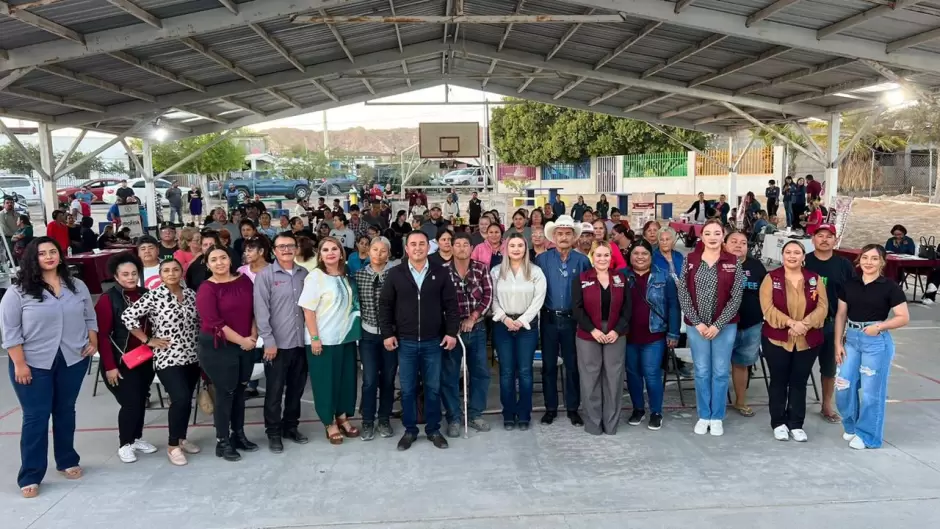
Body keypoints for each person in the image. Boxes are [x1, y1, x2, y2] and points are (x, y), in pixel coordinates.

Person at [1, 237, 97, 497]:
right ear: (33, 258)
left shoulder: (76, 286)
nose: (49, 257)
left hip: (72, 359)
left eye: (53, 251)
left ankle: (66, 459)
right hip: (32, 363)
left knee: (65, 410)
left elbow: (90, 316)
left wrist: (93, 338)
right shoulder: (17, 292)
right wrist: (19, 364)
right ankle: (30, 474)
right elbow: (10, 333)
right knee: (36, 417)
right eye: (42, 253)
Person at [378, 231, 460, 451]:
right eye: (413, 244)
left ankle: (433, 430)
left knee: (433, 388)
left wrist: (451, 333)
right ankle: (410, 430)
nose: (417, 248)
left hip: (434, 342)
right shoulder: (395, 274)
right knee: (407, 389)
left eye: (421, 244)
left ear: (428, 247)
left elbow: (452, 307)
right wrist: (387, 333)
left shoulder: (440, 273)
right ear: (406, 249)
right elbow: (384, 306)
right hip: (405, 342)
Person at [121, 258, 201, 464]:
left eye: (175, 269)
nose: (171, 273)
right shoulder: (154, 296)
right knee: (180, 398)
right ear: (160, 275)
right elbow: (128, 316)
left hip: (192, 355)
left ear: (182, 272)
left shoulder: (191, 295)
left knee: (187, 400)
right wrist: (147, 340)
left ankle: (181, 438)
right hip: (168, 357)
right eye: (166, 270)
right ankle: (173, 445)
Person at [834, 244, 910, 449]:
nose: (869, 262)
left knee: (870, 392)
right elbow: (841, 314)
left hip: (875, 342)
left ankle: (869, 436)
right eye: (865, 257)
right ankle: (851, 426)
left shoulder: (889, 287)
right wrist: (837, 343)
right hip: (851, 339)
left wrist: (880, 326)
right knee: (843, 386)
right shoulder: (849, 284)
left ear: (882, 262)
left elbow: (903, 317)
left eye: (874, 258)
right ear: (859, 260)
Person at [677, 218, 744, 436]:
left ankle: (717, 417)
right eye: (708, 233)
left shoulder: (734, 261)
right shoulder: (690, 260)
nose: (713, 237)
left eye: (717, 233)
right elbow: (683, 292)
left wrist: (717, 324)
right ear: (701, 236)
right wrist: (697, 322)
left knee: (720, 372)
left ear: (723, 236)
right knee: (702, 371)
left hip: (724, 327)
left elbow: (736, 298)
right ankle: (704, 414)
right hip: (697, 327)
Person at [759, 240, 828, 442]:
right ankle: (778, 422)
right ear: (782, 255)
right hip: (777, 339)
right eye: (788, 252)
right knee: (779, 381)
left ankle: (796, 423)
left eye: (796, 252)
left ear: (803, 256)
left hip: (808, 339)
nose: (792, 256)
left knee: (799, 381)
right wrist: (790, 323)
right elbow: (768, 308)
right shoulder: (771, 278)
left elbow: (823, 307)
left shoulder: (814, 279)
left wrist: (805, 324)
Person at [195, 246, 259, 462]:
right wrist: (243, 341)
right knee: (225, 394)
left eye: (223, 258)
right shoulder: (207, 289)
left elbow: (253, 310)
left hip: (245, 345)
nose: (219, 262)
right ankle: (222, 441)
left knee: (240, 391)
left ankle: (238, 435)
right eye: (214, 259)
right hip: (219, 348)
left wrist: (252, 335)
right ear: (207, 264)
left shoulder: (244, 281)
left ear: (230, 260)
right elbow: (214, 324)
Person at [299, 237, 362, 445]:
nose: (330, 252)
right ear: (320, 254)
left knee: (346, 380)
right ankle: (329, 422)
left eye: (334, 248)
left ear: (341, 253)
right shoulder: (315, 277)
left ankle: (342, 417)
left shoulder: (345, 276)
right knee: (326, 383)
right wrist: (315, 337)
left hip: (344, 338)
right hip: (323, 340)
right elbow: (308, 310)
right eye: (325, 249)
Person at [93, 253, 154, 464]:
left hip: (144, 359)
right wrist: (109, 366)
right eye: (125, 274)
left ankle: (137, 438)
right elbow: (102, 336)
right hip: (119, 362)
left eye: (134, 273)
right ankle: (125, 444)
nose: (130, 278)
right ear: (116, 276)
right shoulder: (108, 299)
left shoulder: (146, 294)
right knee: (130, 402)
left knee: (140, 400)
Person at [253, 233, 310, 453]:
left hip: (299, 343)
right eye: (281, 246)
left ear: (296, 248)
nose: (286, 249)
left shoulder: (304, 274)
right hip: (276, 345)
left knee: (296, 390)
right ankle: (274, 432)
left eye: (290, 246)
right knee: (275, 391)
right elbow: (261, 311)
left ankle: (291, 427)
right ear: (274, 251)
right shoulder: (265, 276)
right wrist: (268, 341)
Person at [535, 215, 592, 426]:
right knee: (549, 366)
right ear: (554, 237)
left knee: (572, 366)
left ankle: (572, 408)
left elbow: (588, 292)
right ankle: (550, 408)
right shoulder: (542, 260)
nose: (564, 237)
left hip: (572, 321)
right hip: (549, 319)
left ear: (574, 237)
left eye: (568, 233)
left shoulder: (583, 261)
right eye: (560, 233)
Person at [572, 242, 630, 435]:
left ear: (611, 257)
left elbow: (627, 309)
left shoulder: (621, 279)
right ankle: (593, 424)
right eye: (598, 255)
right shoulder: (581, 279)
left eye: (606, 255)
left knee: (614, 379)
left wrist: (616, 330)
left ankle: (611, 424)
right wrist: (593, 330)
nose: (602, 259)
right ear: (592, 256)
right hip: (588, 334)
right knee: (590, 379)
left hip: (616, 333)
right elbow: (577, 309)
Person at [491, 233, 546, 431]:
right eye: (512, 245)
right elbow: (492, 299)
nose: (516, 249)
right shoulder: (496, 272)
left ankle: (524, 414)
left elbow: (538, 299)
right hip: (502, 326)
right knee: (506, 372)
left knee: (524, 371)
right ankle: (508, 414)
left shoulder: (536, 272)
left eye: (520, 245)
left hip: (527, 327)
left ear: (525, 248)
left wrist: (522, 321)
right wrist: (504, 318)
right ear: (506, 249)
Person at [624, 240, 679, 430]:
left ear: (651, 255)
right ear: (630, 256)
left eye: (644, 253)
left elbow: (673, 306)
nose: (640, 257)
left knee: (652, 374)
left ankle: (656, 412)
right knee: (632, 374)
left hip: (654, 336)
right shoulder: (622, 276)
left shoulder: (664, 276)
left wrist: (673, 332)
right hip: (628, 336)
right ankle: (638, 408)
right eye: (636, 253)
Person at [442, 232, 494, 436]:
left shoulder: (481, 269)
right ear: (451, 247)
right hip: (452, 331)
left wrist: (473, 317)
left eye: (466, 244)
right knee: (450, 375)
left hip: (477, 328)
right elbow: (439, 301)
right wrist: (452, 325)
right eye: (457, 244)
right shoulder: (443, 271)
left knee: (480, 373)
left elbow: (488, 295)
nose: (462, 248)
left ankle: (475, 414)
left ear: (472, 248)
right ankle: (454, 417)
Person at [355, 237, 397, 441]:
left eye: (383, 251)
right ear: (368, 251)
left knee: (388, 380)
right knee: (370, 380)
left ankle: (384, 419)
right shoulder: (359, 275)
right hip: (368, 335)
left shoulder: (396, 275)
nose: (378, 254)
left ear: (388, 254)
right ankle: (367, 421)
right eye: (374, 249)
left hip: (391, 336)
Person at [724, 231, 766, 418]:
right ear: (724, 244)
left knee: (742, 364)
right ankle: (714, 403)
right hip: (723, 325)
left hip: (751, 325)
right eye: (733, 241)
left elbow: (767, 294)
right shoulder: (716, 264)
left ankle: (740, 401)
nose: (739, 245)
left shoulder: (756, 266)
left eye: (743, 242)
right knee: (718, 366)